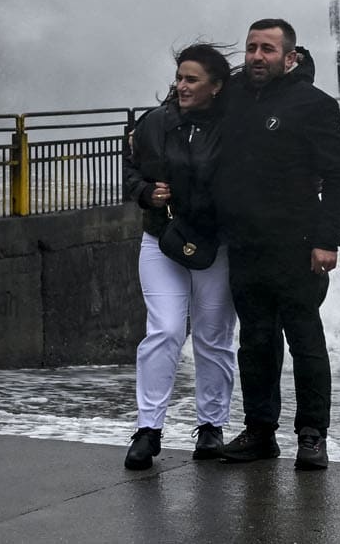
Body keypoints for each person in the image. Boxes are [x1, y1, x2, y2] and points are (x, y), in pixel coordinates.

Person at [216, 18, 340, 470]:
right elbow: (185, 109)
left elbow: (336, 178)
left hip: (298, 243)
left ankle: (312, 434)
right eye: (252, 47)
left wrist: (327, 240)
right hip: (246, 243)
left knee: (305, 341)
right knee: (255, 341)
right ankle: (260, 431)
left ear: (289, 57)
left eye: (268, 49)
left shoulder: (314, 105)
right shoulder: (233, 96)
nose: (257, 56)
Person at [121, 43, 237, 470]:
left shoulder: (234, 126)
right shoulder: (154, 124)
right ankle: (148, 430)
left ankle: (211, 427)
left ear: (217, 86)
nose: (181, 86)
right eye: (180, 78)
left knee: (212, 336)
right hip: (162, 239)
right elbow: (130, 168)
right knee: (165, 331)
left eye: (192, 79)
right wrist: (146, 193)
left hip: (216, 243)